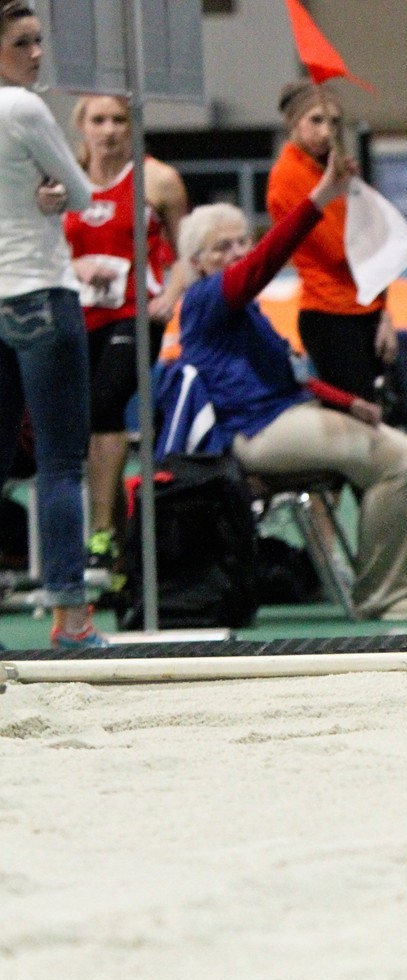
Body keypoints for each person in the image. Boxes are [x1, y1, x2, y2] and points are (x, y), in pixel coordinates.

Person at [176, 156, 407, 622]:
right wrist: (320, 198)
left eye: (242, 241)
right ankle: (382, 595)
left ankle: (406, 585)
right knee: (403, 465)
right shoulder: (206, 299)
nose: (238, 252)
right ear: (197, 263)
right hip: (254, 431)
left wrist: (348, 402)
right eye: (222, 247)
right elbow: (265, 262)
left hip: (285, 414)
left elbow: (293, 374)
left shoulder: (247, 312)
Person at [0, 2, 103, 647]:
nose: (37, 53)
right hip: (39, 292)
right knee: (61, 463)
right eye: (22, 43)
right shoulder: (24, 109)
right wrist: (60, 197)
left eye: (39, 41)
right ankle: (71, 621)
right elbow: (86, 194)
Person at [63, 94, 189, 574]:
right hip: (77, 317)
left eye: (119, 119)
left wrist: (171, 293)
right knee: (93, 421)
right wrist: (74, 267)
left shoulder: (158, 179)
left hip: (137, 314)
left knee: (104, 403)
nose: (110, 130)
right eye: (99, 120)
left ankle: (99, 535)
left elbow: (188, 251)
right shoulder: (62, 177)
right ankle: (120, 551)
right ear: (82, 126)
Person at [266, 80, 394, 402]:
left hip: (366, 307)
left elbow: (378, 244)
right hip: (330, 314)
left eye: (334, 122)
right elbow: (341, 249)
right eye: (316, 120)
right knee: (359, 415)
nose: (327, 132)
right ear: (294, 123)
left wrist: (385, 313)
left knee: (389, 410)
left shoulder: (332, 170)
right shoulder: (289, 177)